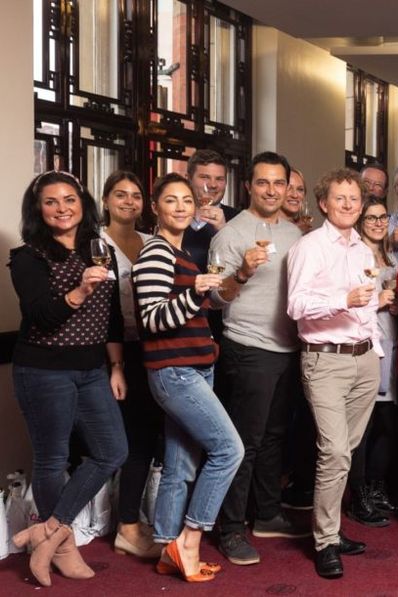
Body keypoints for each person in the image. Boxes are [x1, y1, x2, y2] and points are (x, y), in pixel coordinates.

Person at [9, 171, 128, 587]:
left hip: (92, 369)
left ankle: (47, 530)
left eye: (69, 199)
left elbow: (113, 317)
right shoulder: (27, 257)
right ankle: (63, 547)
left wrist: (117, 367)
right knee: (53, 461)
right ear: (38, 209)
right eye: (51, 202)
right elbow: (41, 316)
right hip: (43, 370)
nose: (62, 208)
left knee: (113, 451)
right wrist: (79, 291)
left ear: (83, 203)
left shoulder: (100, 250)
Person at [133, 172, 243, 583]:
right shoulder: (156, 252)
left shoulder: (178, 253)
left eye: (186, 201)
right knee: (229, 451)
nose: (180, 207)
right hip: (176, 373)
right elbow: (152, 320)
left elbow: (194, 306)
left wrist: (218, 287)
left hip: (193, 367)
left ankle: (167, 547)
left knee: (180, 462)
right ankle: (190, 540)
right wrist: (194, 291)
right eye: (171, 200)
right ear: (155, 207)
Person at [211, 152, 307, 566]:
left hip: (288, 348)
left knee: (274, 437)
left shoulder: (294, 233)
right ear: (249, 186)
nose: (271, 190)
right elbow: (215, 298)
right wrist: (243, 273)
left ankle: (266, 513)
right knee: (244, 443)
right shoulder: (231, 234)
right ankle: (231, 528)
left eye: (278, 183)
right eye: (263, 182)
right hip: (249, 348)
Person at [286, 168, 380, 579]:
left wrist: (375, 351)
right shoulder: (308, 247)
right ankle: (325, 540)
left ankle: (332, 528)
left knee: (345, 452)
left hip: (364, 360)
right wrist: (343, 299)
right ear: (323, 203)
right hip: (325, 360)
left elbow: (369, 308)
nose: (348, 204)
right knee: (335, 451)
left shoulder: (363, 250)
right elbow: (296, 306)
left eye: (354, 198)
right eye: (339, 198)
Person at [99, 171, 162, 560]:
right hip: (109, 353)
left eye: (136, 195)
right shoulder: (95, 244)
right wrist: (116, 365)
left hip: (150, 348)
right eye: (120, 195)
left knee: (145, 438)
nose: (128, 202)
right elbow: (104, 312)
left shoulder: (152, 242)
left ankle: (129, 520)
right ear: (106, 200)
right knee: (120, 442)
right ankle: (122, 524)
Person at [346, 199, 398, 528]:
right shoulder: (355, 256)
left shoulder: (391, 256)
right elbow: (346, 304)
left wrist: (395, 306)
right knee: (364, 426)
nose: (379, 223)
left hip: (392, 343)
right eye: (371, 218)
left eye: (383, 217)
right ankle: (358, 496)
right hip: (368, 345)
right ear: (360, 221)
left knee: (386, 423)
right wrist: (378, 302)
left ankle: (376, 486)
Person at [182, 149, 238, 269]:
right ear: (188, 179)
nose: (213, 185)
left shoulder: (239, 218)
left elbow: (245, 270)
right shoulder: (176, 217)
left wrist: (224, 231)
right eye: (205, 177)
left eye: (219, 179)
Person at [280, 168, 315, 234]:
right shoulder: (265, 226)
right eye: (288, 189)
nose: (295, 195)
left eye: (300, 189)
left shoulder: (305, 230)